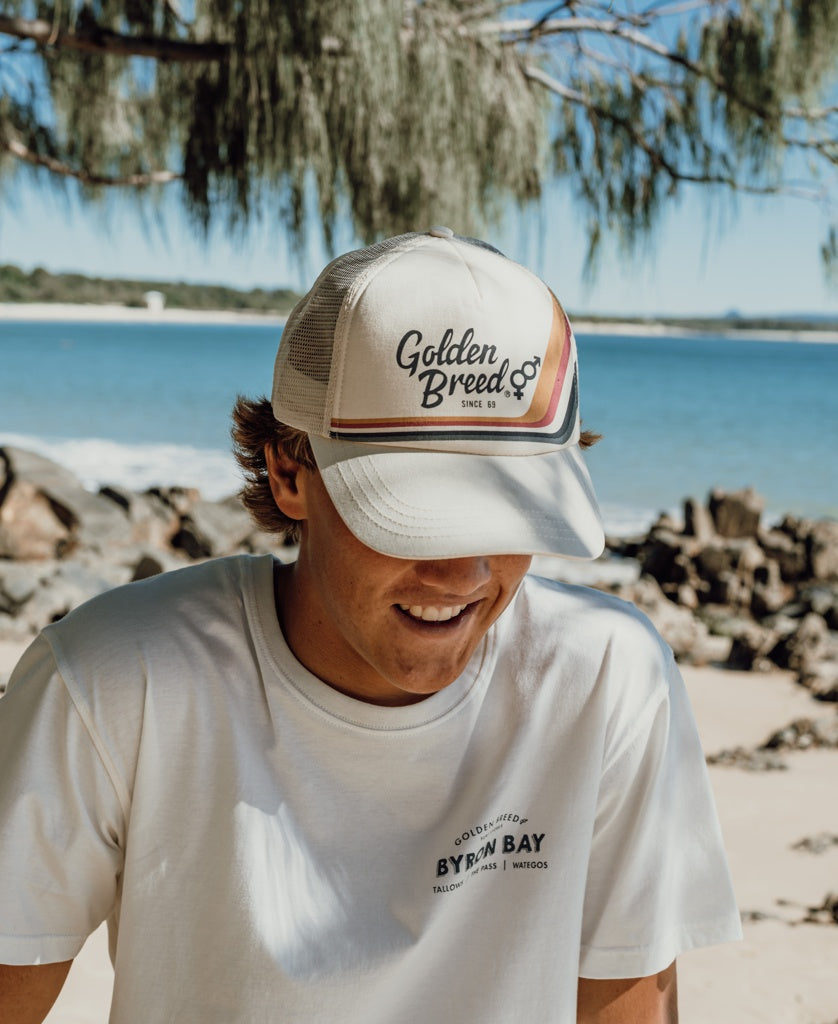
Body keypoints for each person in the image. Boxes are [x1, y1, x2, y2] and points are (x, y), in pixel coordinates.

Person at [0, 228, 741, 1022]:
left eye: (511, 511)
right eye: (419, 517)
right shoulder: (115, 681)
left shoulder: (606, 679)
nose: (466, 576)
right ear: (290, 470)